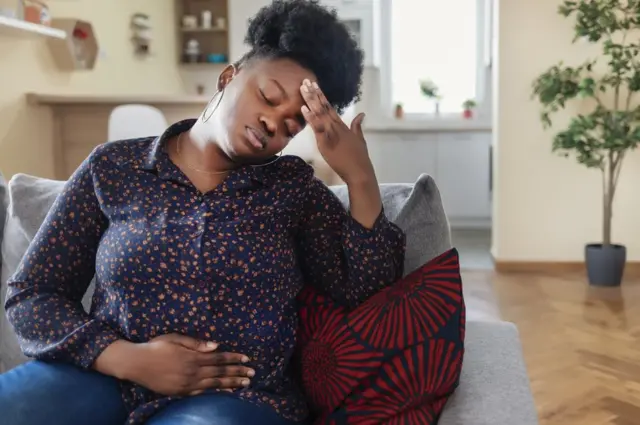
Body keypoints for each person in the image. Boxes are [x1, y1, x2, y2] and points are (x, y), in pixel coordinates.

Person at [0, 1, 406, 424]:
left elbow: (366, 292)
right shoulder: (114, 168)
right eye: (268, 96)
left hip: (238, 400)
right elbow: (33, 293)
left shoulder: (293, 189)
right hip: (102, 379)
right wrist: (126, 359)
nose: (273, 122)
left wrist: (360, 178)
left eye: (292, 125)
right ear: (228, 76)